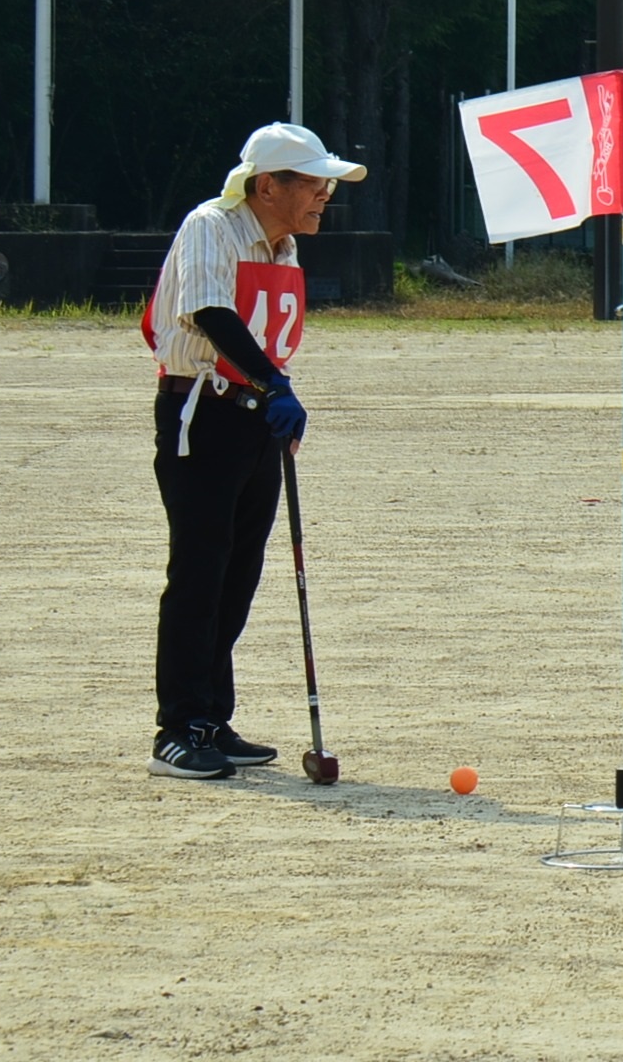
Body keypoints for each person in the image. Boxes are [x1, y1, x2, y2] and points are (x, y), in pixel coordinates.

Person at [143, 122, 364, 779]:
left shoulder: (284, 244)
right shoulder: (211, 225)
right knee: (200, 572)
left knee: (238, 573)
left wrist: (272, 397)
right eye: (314, 183)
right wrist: (275, 383)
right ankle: (176, 730)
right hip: (202, 413)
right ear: (269, 185)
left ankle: (212, 715)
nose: (325, 194)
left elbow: (268, 332)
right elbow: (212, 313)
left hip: (253, 419)